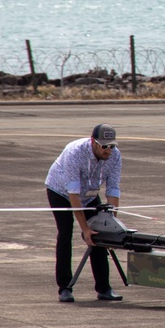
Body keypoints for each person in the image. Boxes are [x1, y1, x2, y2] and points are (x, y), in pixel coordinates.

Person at [44, 123, 123, 303]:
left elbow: (113, 191)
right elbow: (73, 194)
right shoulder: (75, 153)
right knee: (65, 232)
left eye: (112, 146)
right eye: (104, 146)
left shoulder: (115, 157)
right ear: (93, 142)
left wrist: (111, 225)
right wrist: (85, 229)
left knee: (100, 234)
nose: (108, 150)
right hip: (61, 192)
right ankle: (65, 287)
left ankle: (104, 288)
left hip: (88, 195)